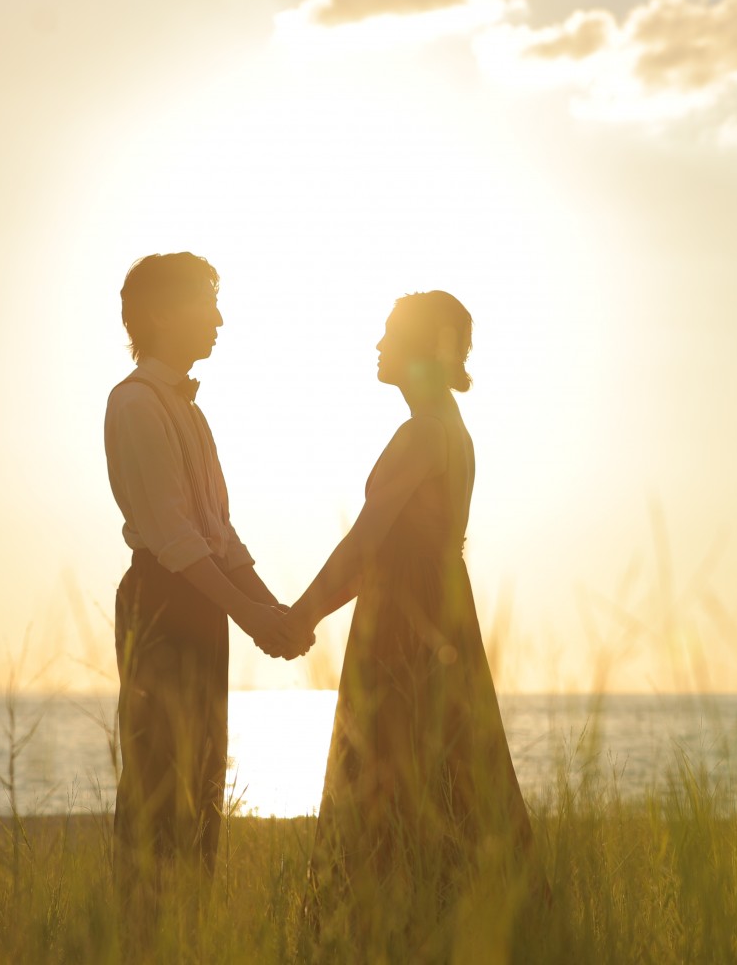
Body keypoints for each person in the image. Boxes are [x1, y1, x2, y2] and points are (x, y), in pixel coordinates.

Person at [283, 290, 531, 921]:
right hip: (442, 611)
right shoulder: (451, 427)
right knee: (450, 782)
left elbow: (367, 542)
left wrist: (299, 616)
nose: (378, 345)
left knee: (391, 782)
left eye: (390, 334)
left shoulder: (424, 432)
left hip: (407, 621)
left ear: (421, 348)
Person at [104, 252, 311, 881]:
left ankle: (188, 925)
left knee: (201, 775)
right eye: (206, 303)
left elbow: (217, 533)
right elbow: (174, 538)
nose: (219, 319)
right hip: (162, 599)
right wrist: (254, 616)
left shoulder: (191, 411)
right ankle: (145, 930)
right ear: (163, 314)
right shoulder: (136, 403)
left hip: (199, 598)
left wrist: (275, 609)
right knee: (159, 776)